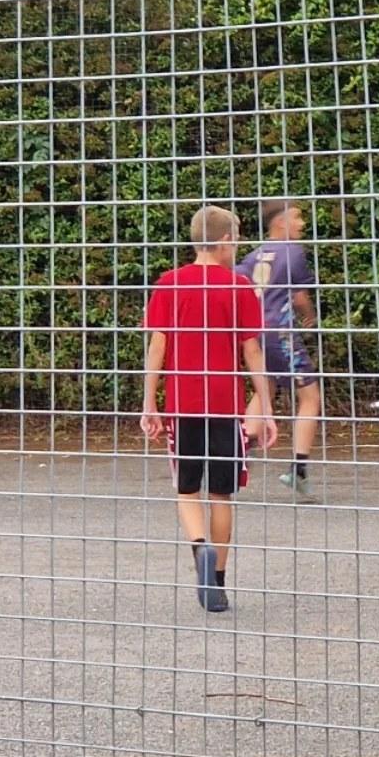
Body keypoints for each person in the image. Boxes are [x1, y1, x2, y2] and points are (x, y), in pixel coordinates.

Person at [140, 205, 278, 613]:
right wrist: (266, 407)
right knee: (221, 494)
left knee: (186, 489)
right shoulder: (238, 288)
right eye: (235, 239)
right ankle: (216, 581)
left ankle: (198, 547)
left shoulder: (169, 284)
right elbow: (252, 351)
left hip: (183, 404)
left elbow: (158, 348)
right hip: (225, 405)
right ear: (223, 242)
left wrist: (150, 402)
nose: (237, 247)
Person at [237, 199, 321, 498]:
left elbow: (238, 283)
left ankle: (236, 456)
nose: (301, 224)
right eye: (297, 218)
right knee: (310, 397)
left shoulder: (254, 255)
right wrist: (310, 316)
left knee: (266, 388)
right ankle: (298, 469)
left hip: (255, 334)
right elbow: (298, 297)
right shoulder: (292, 252)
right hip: (281, 333)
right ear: (280, 223)